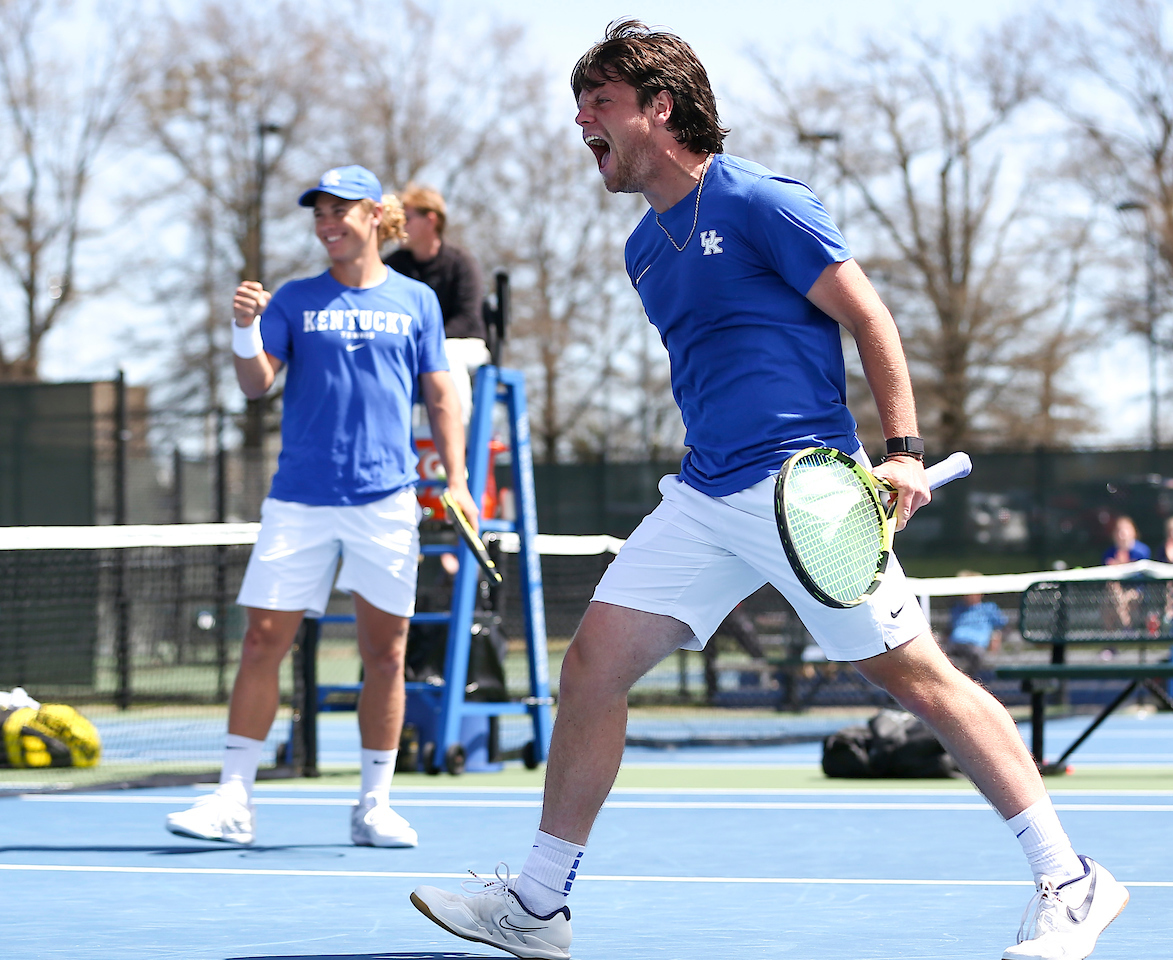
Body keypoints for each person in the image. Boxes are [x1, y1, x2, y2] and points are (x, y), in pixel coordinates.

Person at [408, 21, 1128, 960]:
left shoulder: (761, 203)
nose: (581, 121)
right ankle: (539, 905)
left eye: (600, 103)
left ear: (659, 108)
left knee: (918, 679)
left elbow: (868, 315)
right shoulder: (644, 251)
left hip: (806, 494)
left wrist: (902, 450)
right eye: (579, 104)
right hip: (704, 497)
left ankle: (1072, 881)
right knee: (590, 670)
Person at [165, 164, 476, 849]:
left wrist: (456, 480)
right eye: (318, 212)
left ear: (373, 215)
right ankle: (233, 801)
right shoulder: (293, 300)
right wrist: (245, 329)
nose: (326, 222)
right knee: (260, 641)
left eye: (338, 210)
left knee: (386, 655)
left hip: (386, 501)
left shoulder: (417, 302)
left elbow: (442, 395)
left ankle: (373, 805)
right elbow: (255, 385)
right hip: (299, 501)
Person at [384, 184, 490, 425]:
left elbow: (468, 319)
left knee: (445, 355)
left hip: (463, 345)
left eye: (407, 218)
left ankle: (456, 447)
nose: (400, 226)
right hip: (410, 346)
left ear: (430, 220)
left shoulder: (461, 262)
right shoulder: (392, 266)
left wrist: (427, 342)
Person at [944, 570, 1008, 676]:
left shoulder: (989, 608)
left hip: (975, 646)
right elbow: (949, 629)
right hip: (955, 644)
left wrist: (997, 636)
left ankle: (969, 682)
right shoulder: (957, 608)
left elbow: (1004, 627)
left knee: (976, 655)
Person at [1102, 515, 1151, 631]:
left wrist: (1122, 565)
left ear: (1133, 532)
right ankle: (1119, 635)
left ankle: (1126, 628)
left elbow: (1140, 575)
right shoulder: (1109, 552)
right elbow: (1108, 574)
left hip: (1137, 592)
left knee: (1119, 599)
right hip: (1115, 593)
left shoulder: (1142, 551)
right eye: (1119, 531)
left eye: (1125, 530)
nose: (1122, 534)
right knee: (1110, 598)